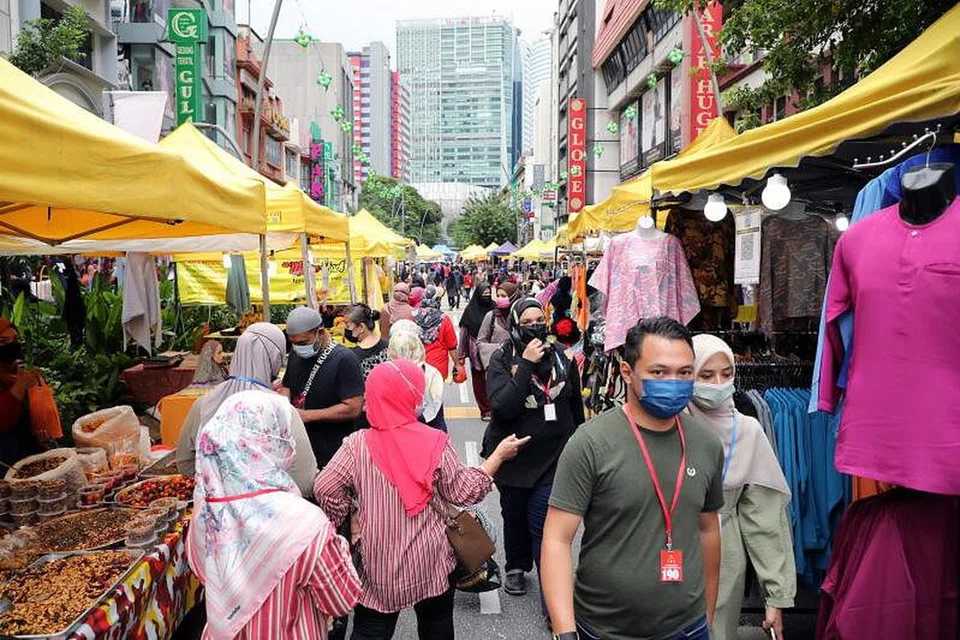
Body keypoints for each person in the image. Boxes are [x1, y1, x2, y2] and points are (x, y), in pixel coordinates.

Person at [314, 360, 531, 640]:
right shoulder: (435, 441)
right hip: (432, 561)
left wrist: (350, 516)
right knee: (436, 625)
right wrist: (497, 457)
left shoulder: (356, 446)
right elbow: (465, 492)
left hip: (380, 565)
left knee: (372, 629)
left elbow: (325, 487)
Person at [542, 317, 724, 640]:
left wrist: (706, 616)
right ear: (627, 372)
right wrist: (565, 631)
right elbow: (557, 539)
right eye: (659, 372)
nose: (674, 382)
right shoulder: (590, 443)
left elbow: (708, 529)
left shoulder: (706, 443)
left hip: (687, 628)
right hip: (603, 630)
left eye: (684, 373)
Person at [187, 391, 361, 640]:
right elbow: (341, 600)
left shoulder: (206, 515)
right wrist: (340, 544)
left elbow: (203, 572)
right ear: (274, 441)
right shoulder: (306, 524)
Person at [690, 334, 795, 640]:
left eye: (726, 374)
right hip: (666, 551)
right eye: (706, 376)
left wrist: (776, 596)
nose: (718, 384)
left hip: (725, 556)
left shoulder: (747, 431)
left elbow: (764, 519)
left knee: (717, 630)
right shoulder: (671, 425)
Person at [483, 298, 584, 602]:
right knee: (515, 515)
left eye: (539, 320)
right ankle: (516, 565)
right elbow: (502, 408)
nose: (535, 326)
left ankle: (551, 587)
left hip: (554, 458)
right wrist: (525, 365)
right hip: (514, 456)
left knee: (542, 522)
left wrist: (579, 442)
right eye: (526, 322)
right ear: (515, 325)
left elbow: (575, 405)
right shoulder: (503, 358)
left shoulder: (562, 357)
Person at [176, 323, 319, 497]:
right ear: (275, 358)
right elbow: (305, 481)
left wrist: (217, 488)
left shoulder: (203, 404)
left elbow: (184, 464)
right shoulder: (282, 412)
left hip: (213, 510)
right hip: (270, 510)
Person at [282, 306, 364, 470]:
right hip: (301, 447)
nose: (298, 347)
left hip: (333, 451)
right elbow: (287, 386)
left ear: (320, 332)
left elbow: (354, 407)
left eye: (303, 343)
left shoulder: (345, 359)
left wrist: (308, 416)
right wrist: (283, 405)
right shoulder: (295, 355)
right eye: (294, 343)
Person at [0, 319, 46, 466]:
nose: (12, 345)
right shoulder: (21, 380)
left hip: (29, 455)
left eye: (15, 339)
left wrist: (42, 427)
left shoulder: (19, 374)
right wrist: (20, 386)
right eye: (3, 341)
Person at [387, 319, 447, 431]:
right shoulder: (432, 373)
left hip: (396, 430)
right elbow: (435, 408)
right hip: (430, 429)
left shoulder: (385, 373)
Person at [457, 283, 496, 420]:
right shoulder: (470, 311)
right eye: (484, 294)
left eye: (488, 293)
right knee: (479, 382)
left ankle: (495, 407)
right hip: (476, 354)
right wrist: (461, 356)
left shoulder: (495, 308)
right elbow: (463, 334)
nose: (487, 296)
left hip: (494, 350)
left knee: (495, 381)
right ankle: (485, 410)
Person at [412, 286, 462, 382]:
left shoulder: (413, 317)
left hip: (417, 365)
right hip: (438, 368)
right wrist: (457, 364)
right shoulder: (444, 319)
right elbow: (452, 346)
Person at [476, 281, 519, 371]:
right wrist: (501, 348)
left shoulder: (521, 317)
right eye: (498, 296)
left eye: (503, 296)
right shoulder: (492, 316)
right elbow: (481, 342)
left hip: (519, 367)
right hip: (497, 367)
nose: (499, 299)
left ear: (513, 296)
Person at [345, 304, 388, 380]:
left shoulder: (351, 357)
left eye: (348, 326)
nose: (346, 329)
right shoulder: (388, 347)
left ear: (361, 327)